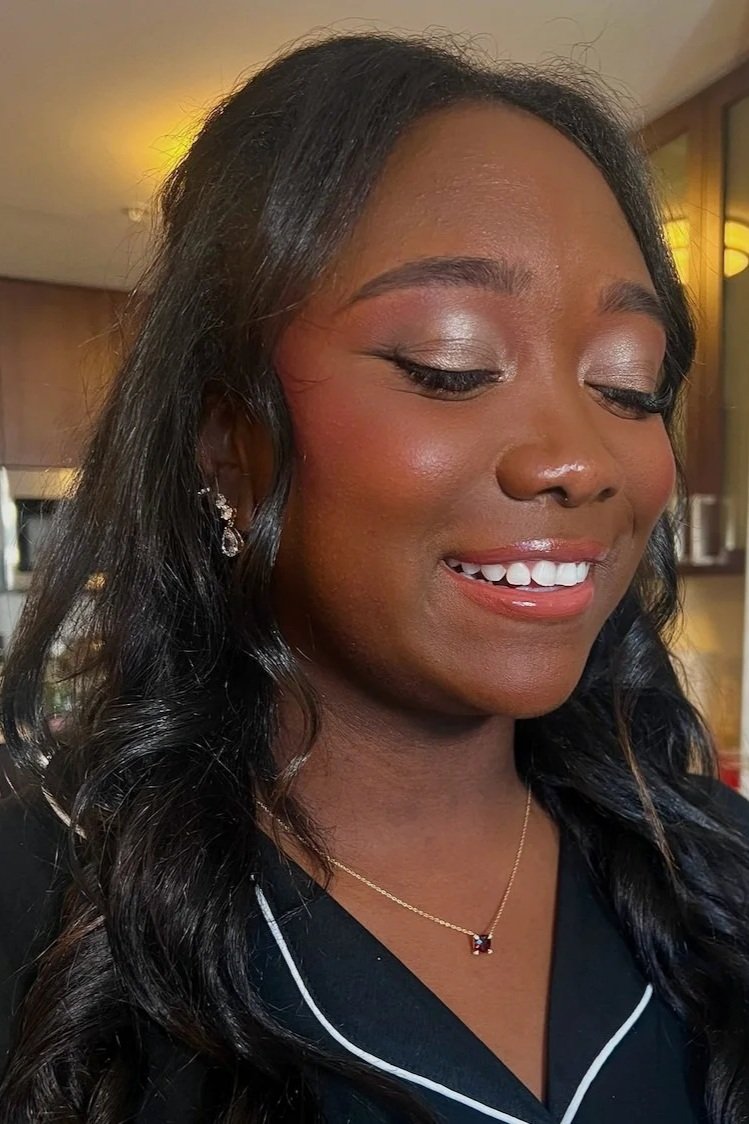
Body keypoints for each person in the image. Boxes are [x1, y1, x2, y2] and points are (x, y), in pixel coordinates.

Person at [1, 31, 748, 1124]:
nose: (580, 460)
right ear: (227, 444)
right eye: (449, 364)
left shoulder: (713, 872)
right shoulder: (40, 911)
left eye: (627, 386)